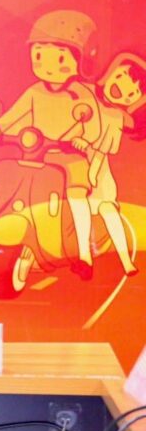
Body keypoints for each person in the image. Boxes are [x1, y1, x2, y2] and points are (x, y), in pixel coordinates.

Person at [0, 10, 101, 280]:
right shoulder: (35, 91)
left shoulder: (81, 95)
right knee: (0, 197)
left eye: (59, 58)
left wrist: (83, 140)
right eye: (39, 55)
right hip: (35, 156)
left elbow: (94, 125)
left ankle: (84, 254)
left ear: (83, 60)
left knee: (77, 198)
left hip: (69, 159)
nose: (47, 65)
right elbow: (14, 115)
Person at [71, 52, 146, 276]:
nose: (121, 90)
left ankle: (126, 262)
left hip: (97, 174)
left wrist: (92, 175)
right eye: (121, 77)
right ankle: (84, 256)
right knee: (79, 207)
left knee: (107, 210)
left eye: (131, 94)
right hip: (72, 165)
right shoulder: (85, 93)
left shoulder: (115, 118)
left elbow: (101, 152)